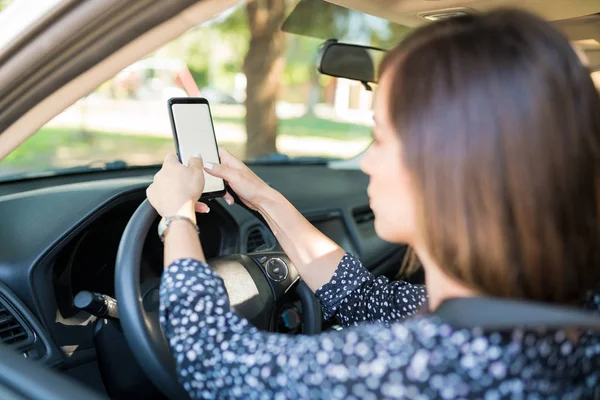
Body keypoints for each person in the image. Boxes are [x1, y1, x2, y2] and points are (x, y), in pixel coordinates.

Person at [146, 9, 600, 399]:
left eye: (380, 138)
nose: (366, 161)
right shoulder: (562, 319)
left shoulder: (419, 371)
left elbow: (213, 364)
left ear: (450, 169)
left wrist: (177, 216)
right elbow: (367, 297)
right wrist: (263, 197)